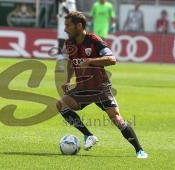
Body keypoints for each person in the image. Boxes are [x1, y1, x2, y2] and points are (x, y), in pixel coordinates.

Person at [56, 11, 148, 158]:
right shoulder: (69, 43)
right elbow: (71, 63)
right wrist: (68, 80)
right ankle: (88, 136)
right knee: (61, 104)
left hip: (100, 88)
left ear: (79, 26)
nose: (65, 29)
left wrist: (91, 60)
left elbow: (112, 59)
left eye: (68, 25)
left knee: (117, 119)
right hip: (83, 88)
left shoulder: (93, 40)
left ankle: (140, 150)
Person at [56, 0, 76, 72]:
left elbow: (71, 14)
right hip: (62, 27)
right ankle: (60, 65)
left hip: (69, 27)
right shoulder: (62, 4)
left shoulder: (70, 2)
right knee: (61, 45)